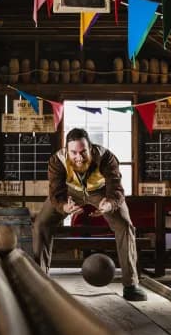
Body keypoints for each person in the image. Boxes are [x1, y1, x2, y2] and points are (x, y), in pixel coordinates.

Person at [33, 128, 147, 301]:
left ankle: (131, 285)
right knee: (41, 224)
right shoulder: (57, 160)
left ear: (91, 148)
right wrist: (64, 207)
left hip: (101, 192)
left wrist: (109, 204)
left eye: (83, 152)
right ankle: (39, 284)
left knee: (125, 225)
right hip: (71, 193)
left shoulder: (106, 158)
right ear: (66, 150)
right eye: (74, 153)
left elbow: (116, 189)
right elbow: (56, 192)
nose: (79, 157)